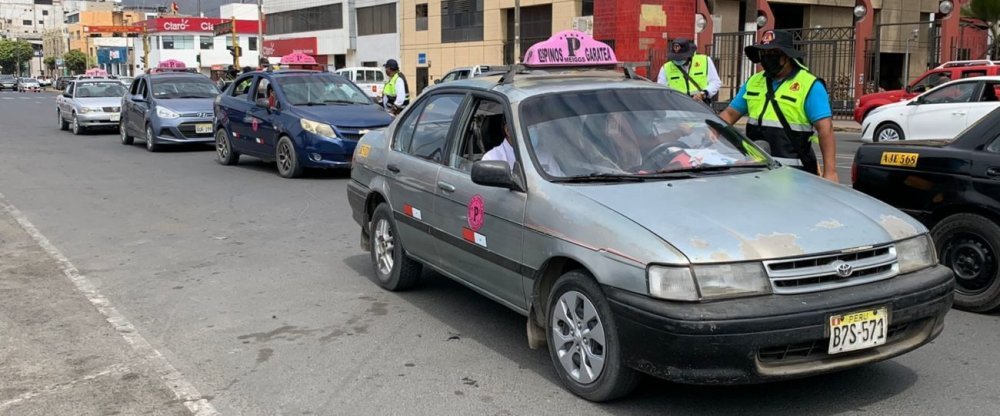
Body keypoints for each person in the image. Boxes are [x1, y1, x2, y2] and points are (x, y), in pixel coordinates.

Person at [718, 30, 838, 182]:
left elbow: (825, 129)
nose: (767, 58)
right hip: (758, 171)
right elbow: (729, 114)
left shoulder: (809, 85)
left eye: (773, 53)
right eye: (763, 53)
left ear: (786, 56)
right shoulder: (754, 82)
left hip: (795, 175)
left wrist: (830, 172)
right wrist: (710, 133)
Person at [657, 38, 721, 104]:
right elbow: (661, 90)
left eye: (681, 57)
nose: (678, 60)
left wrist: (704, 93)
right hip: (677, 106)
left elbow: (715, 82)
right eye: (675, 57)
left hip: (701, 105)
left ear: (689, 55)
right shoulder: (666, 67)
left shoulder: (705, 61)